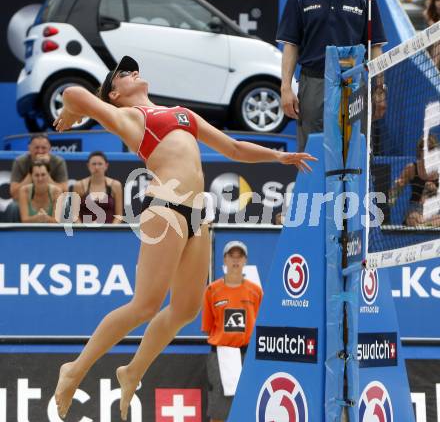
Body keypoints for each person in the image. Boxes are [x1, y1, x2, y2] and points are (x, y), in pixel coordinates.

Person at [52, 55, 317, 421]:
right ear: (114, 94)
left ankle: (132, 371)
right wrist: (71, 112)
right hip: (165, 207)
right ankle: (76, 368)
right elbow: (73, 91)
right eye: (124, 74)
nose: (133, 72)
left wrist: (278, 155)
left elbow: (234, 149)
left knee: (186, 309)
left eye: (133, 69)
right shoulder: (130, 117)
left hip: (198, 215)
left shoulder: (181, 114)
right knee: (145, 305)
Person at [277, 0, 387, 152]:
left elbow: (375, 47)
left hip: (353, 85)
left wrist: (379, 89)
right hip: (314, 84)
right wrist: (285, 87)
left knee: (355, 151)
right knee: (312, 151)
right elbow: (291, 44)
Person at [202, 241, 262, 422]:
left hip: (247, 355)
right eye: (231, 256)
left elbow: (259, 324)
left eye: (240, 256)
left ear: (245, 260)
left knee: (248, 406)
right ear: (224, 260)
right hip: (221, 356)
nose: (236, 260)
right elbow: (208, 327)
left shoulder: (256, 291)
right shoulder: (212, 290)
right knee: (219, 411)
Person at [6, 134, 68, 222]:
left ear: (49, 148)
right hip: (27, 203)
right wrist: (33, 170)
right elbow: (14, 194)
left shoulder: (58, 162)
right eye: (36, 147)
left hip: (51, 201)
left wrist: (46, 169)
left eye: (43, 148)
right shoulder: (20, 161)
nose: (40, 151)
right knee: (12, 207)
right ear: (29, 148)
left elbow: (64, 193)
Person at [389, 134, 440, 226]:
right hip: (415, 210)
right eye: (423, 148)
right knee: (413, 218)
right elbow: (392, 197)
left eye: (430, 148)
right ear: (419, 151)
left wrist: (435, 191)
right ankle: (425, 225)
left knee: (437, 219)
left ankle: (425, 224)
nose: (427, 152)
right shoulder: (411, 168)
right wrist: (396, 188)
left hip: (434, 210)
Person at [73, 151, 123, 224]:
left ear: (106, 166)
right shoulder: (79, 185)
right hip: (85, 232)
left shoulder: (115, 185)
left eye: (100, 164)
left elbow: (119, 215)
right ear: (88, 166)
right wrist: (83, 230)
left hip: (108, 232)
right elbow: (75, 215)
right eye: (93, 164)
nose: (96, 167)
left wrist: (111, 231)